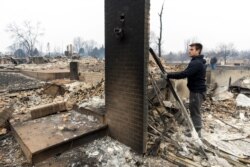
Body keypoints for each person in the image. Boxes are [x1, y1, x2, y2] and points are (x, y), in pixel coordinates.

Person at [162, 43, 206, 137]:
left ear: (198, 51)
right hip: (197, 91)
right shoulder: (196, 61)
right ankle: (194, 131)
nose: (189, 51)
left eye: (192, 49)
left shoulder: (196, 63)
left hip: (197, 92)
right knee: (194, 110)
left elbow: (184, 74)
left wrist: (168, 75)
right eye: (189, 49)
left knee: (195, 112)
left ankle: (196, 133)